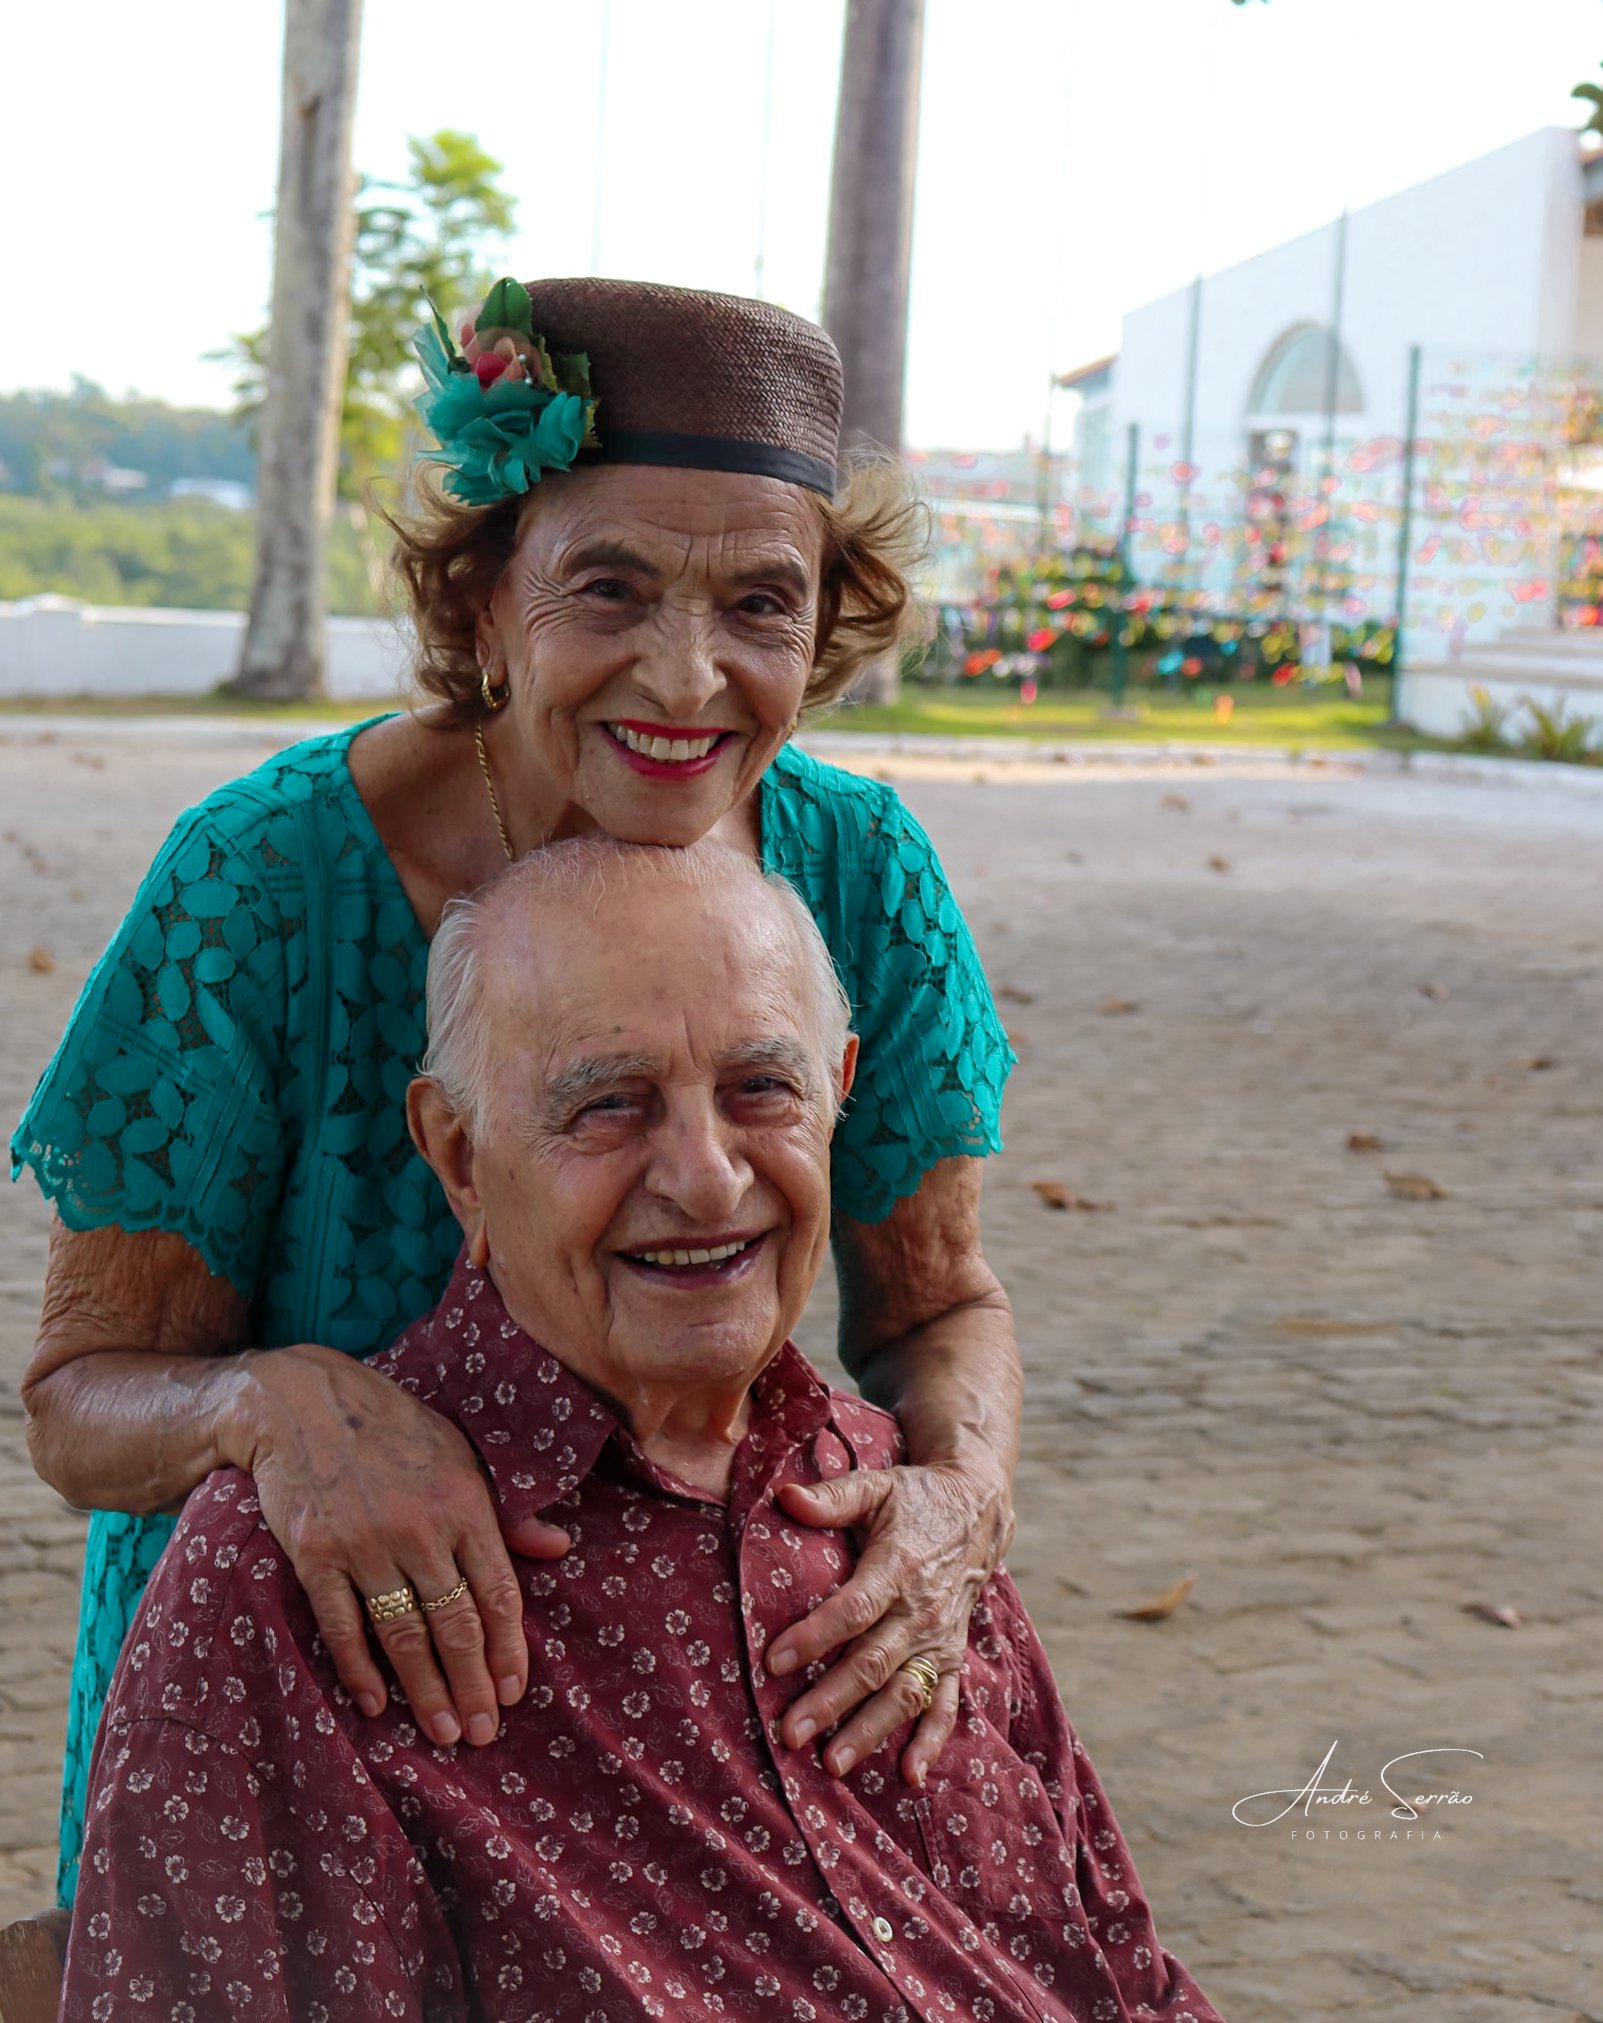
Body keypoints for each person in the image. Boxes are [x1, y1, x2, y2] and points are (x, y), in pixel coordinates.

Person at [14, 276, 1022, 1907]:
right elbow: (78, 1396)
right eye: (607, 587)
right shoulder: (261, 884)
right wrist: (271, 1404)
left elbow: (938, 1302)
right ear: (482, 601)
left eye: (758, 605)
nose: (687, 679)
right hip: (289, 1730)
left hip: (689, 1733)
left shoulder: (858, 870)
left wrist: (955, 1500)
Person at [62, 840, 1221, 2023]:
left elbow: (1120, 1971)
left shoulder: (908, 1504)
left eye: (761, 1089)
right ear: (458, 1156)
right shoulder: (299, 1574)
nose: (709, 1180)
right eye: (607, 1103)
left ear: (840, 1093)